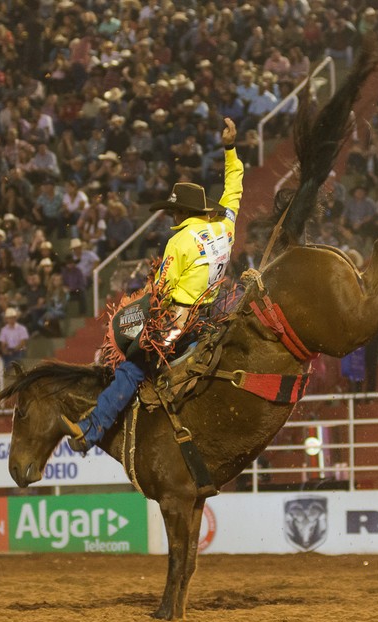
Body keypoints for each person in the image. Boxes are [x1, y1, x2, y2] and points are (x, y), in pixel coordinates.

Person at [67, 117, 243, 452]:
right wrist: (230, 149)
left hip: (182, 320)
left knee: (133, 366)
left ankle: (92, 430)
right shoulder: (225, 227)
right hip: (214, 311)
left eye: (174, 212)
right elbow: (234, 189)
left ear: (180, 213)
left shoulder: (179, 243)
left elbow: (162, 291)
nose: (172, 217)